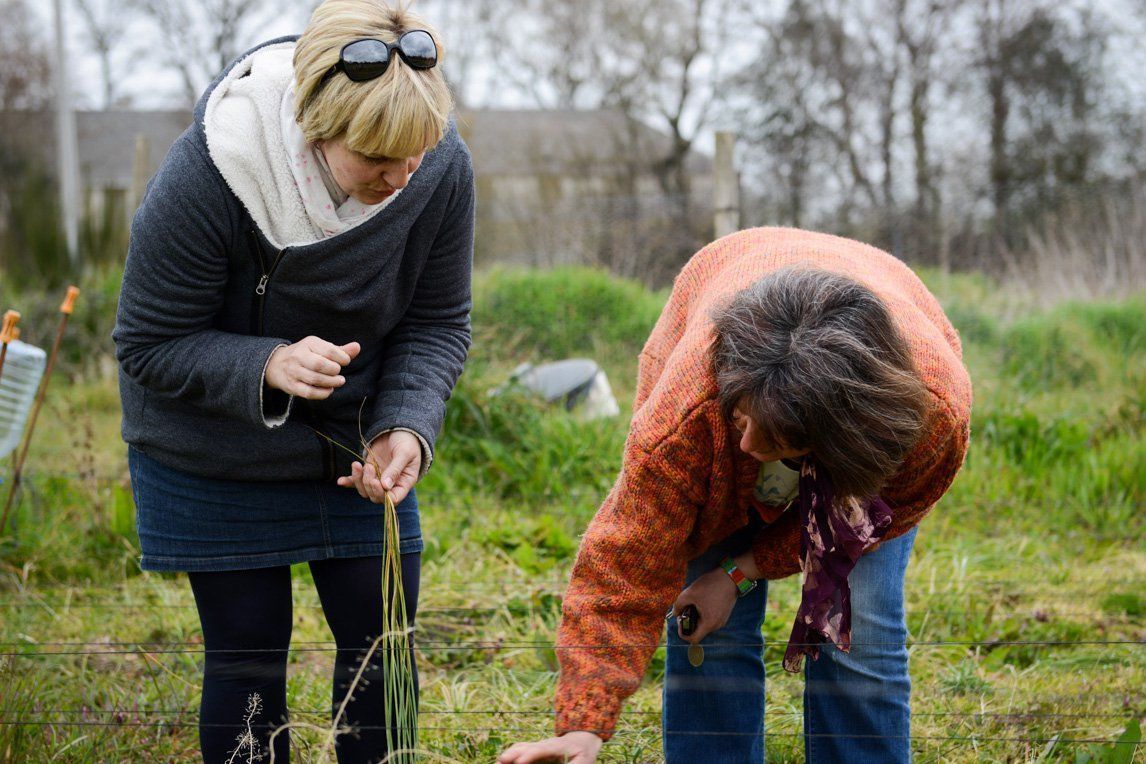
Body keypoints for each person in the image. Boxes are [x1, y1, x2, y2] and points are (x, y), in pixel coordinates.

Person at [113, 1, 473, 761]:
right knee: (248, 659)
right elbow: (147, 343)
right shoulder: (213, 172)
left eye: (416, 157)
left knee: (384, 650)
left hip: (352, 448)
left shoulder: (435, 167)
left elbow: (437, 321)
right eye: (379, 160)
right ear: (316, 131)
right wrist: (266, 363)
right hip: (212, 447)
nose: (402, 177)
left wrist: (403, 425)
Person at [499, 228, 972, 764]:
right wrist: (583, 723)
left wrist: (741, 571)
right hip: (719, 319)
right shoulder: (687, 415)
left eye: (769, 437)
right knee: (707, 634)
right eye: (744, 419)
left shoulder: (928, 419)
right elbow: (626, 561)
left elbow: (858, 524)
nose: (747, 445)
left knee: (858, 627)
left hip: (880, 371)